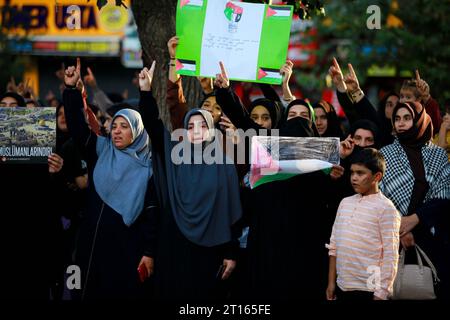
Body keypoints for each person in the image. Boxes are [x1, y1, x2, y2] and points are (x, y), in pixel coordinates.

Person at [137, 63, 242, 301]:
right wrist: (145, 91)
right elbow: (154, 126)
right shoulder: (174, 155)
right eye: (190, 126)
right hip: (173, 247)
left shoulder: (223, 165)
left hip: (211, 250)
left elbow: (230, 212)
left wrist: (230, 253)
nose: (196, 130)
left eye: (203, 125)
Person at [62, 59, 158, 300]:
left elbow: (151, 214)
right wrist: (72, 90)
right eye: (114, 125)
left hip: (124, 250)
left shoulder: (148, 168)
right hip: (90, 244)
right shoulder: (101, 149)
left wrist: (149, 252)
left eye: (124, 127)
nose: (116, 131)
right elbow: (77, 128)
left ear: (137, 131)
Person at [380, 101, 450, 299]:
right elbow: (381, 196)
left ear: (419, 120)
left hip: (431, 235)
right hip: (395, 238)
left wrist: (415, 219)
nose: (401, 123)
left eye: (407, 118)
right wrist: (400, 229)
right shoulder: (385, 154)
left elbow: (444, 197)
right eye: (397, 119)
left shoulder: (438, 155)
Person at [326, 148, 400, 301]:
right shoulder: (345, 203)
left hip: (369, 289)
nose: (354, 178)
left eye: (360, 173)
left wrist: (381, 293)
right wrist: (331, 283)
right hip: (342, 285)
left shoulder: (386, 208)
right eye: (352, 172)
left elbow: (390, 256)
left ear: (377, 176)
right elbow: (334, 246)